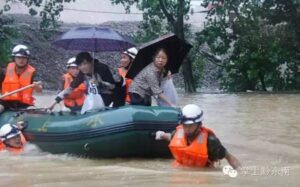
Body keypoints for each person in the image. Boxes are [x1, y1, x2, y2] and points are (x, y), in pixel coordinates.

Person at [155, 104, 241, 169]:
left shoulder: (211, 141)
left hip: (203, 174)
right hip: (181, 170)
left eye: (191, 126)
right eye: (185, 125)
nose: (187, 129)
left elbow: (229, 157)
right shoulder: (180, 133)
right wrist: (162, 134)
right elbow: (171, 137)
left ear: (199, 125)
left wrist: (241, 173)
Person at [49, 52, 124, 110]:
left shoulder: (102, 68)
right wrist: (54, 102)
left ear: (91, 62)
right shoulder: (82, 73)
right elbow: (70, 88)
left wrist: (99, 83)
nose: (82, 67)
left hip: (112, 93)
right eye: (80, 65)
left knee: (99, 108)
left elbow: (112, 86)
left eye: (85, 64)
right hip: (95, 94)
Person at [0, 44, 42, 114]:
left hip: (25, 104)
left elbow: (39, 90)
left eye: (24, 58)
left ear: (27, 59)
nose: (21, 60)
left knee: (34, 113)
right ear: (14, 58)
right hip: (6, 102)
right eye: (18, 57)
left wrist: (37, 87)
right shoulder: (4, 71)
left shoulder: (32, 72)